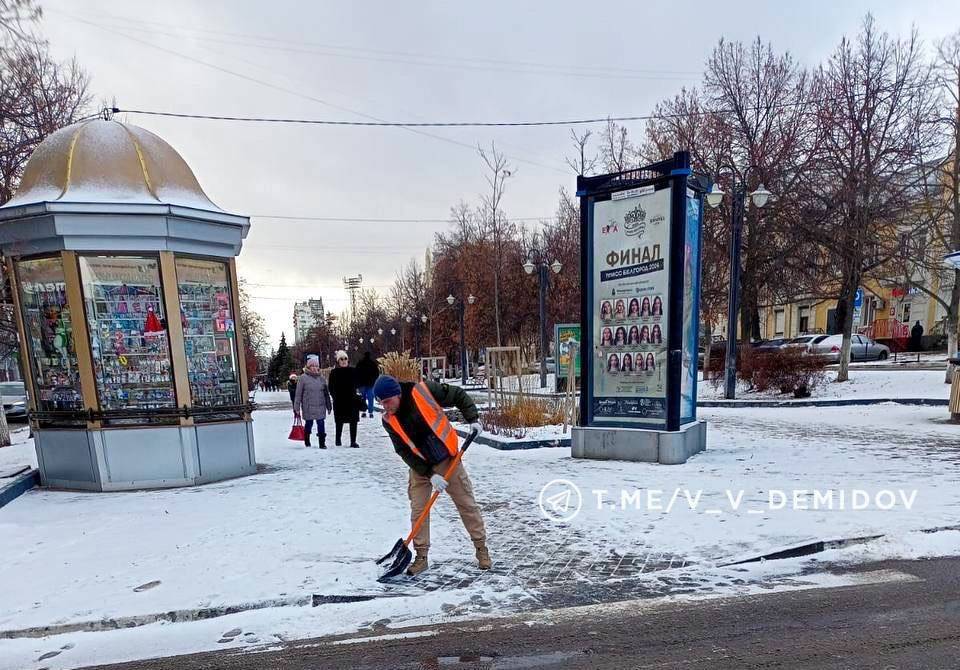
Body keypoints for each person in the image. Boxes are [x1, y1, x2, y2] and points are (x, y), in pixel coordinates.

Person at [373, 374, 491, 576]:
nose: (385, 407)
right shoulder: (388, 420)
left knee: (466, 504)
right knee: (419, 510)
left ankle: (481, 549)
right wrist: (429, 474)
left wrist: (473, 419)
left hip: (448, 459)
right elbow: (403, 451)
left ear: (397, 394)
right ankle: (421, 557)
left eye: (387, 401)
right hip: (420, 467)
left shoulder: (423, 391)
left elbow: (458, 394)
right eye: (381, 403)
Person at [293, 355, 332, 448]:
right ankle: (307, 440)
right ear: (308, 367)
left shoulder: (322, 379)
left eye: (316, 366)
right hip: (308, 406)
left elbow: (326, 394)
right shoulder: (303, 378)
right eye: (312, 366)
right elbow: (298, 394)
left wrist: (329, 406)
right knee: (309, 423)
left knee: (321, 423)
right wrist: (296, 407)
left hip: (320, 406)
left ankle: (322, 443)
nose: (314, 368)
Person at [328, 350, 361, 448]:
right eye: (341, 359)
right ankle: (338, 440)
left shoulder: (353, 370)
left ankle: (353, 441)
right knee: (339, 421)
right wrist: (335, 397)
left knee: (353, 421)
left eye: (345, 359)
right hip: (339, 401)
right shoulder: (334, 372)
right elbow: (331, 387)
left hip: (352, 400)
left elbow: (358, 383)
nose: (343, 361)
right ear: (338, 361)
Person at [355, 351, 380, 418]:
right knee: (370, 398)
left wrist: (357, 383)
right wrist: (374, 380)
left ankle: (363, 411)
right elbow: (377, 373)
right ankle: (370, 412)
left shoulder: (360, 363)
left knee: (363, 398)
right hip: (370, 384)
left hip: (362, 384)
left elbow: (356, 374)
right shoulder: (373, 363)